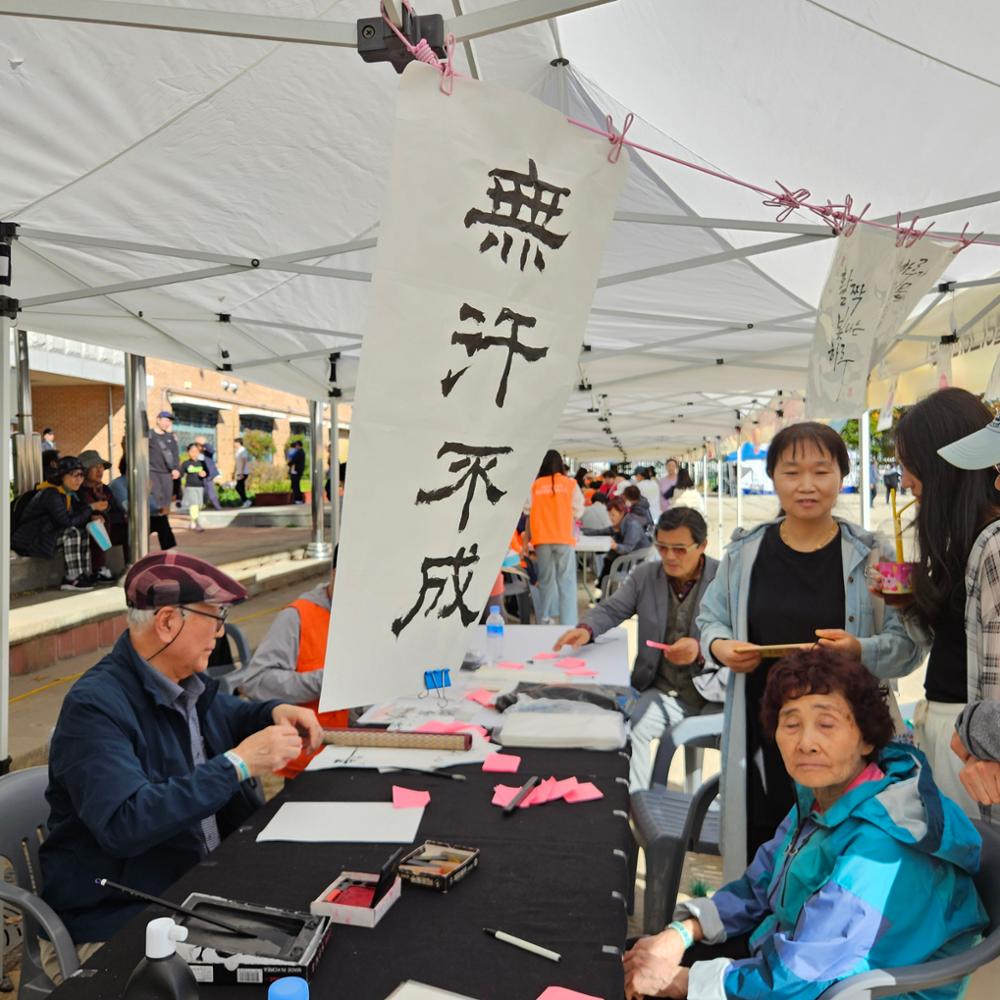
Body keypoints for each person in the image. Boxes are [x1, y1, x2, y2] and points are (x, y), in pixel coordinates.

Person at [623, 647, 987, 1000]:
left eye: (826, 723)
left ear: (866, 739)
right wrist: (679, 934)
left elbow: (802, 977)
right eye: (791, 723)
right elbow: (758, 886)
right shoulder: (822, 798)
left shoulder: (882, 845)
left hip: (853, 989)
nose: (806, 742)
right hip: (791, 960)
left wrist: (679, 980)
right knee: (629, 961)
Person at [37, 552, 322, 983]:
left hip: (192, 891)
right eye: (215, 618)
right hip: (121, 916)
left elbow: (230, 714)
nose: (220, 633)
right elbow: (125, 821)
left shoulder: (188, 684)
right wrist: (238, 764)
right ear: (169, 622)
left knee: (310, 928)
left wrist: (275, 711)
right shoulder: (95, 707)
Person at [696, 421, 923, 877]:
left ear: (842, 475)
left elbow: (909, 646)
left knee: (843, 851)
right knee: (766, 841)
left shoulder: (876, 553)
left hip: (847, 740)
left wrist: (860, 650)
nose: (806, 486)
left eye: (821, 471)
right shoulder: (746, 553)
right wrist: (720, 646)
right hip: (765, 733)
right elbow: (710, 619)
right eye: (791, 472)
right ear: (772, 477)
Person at [884, 388, 1000, 819]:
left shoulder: (994, 544)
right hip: (952, 729)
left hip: (969, 742)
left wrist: (982, 742)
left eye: (910, 465)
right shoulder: (969, 536)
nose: (906, 480)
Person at [555, 508, 721, 789]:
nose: (669, 556)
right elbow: (612, 609)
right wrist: (587, 629)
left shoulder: (725, 580)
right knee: (632, 729)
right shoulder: (646, 575)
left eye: (679, 549)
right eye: (662, 547)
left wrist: (701, 649)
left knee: (740, 744)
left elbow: (742, 638)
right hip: (660, 688)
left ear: (702, 546)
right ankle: (641, 804)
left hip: (715, 695)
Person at [240, 554, 349, 778]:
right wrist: (327, 682)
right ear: (336, 575)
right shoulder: (297, 617)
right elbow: (255, 682)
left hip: (355, 753)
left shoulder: (368, 616)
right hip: (310, 764)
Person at [11, 455, 106, 592]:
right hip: (30, 540)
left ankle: (83, 574)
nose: (79, 479)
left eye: (81, 475)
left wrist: (91, 517)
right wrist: (91, 508)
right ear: (61, 476)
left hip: (44, 535)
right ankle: (71, 578)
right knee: (72, 532)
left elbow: (75, 518)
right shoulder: (51, 494)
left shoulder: (68, 494)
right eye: (74, 475)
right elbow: (67, 522)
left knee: (84, 531)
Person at [524, 449, 584, 625]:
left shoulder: (534, 486)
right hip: (564, 538)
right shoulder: (570, 484)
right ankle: (568, 623)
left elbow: (528, 514)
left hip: (541, 540)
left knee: (546, 581)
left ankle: (545, 619)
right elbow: (578, 511)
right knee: (566, 582)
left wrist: (526, 542)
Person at [110, 455, 177, 552]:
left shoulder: (139, 482)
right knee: (154, 522)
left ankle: (170, 552)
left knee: (161, 520)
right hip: (121, 524)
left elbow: (151, 506)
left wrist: (159, 509)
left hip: (136, 520)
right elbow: (128, 508)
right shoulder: (117, 484)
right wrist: (145, 492)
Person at [78, 449, 121, 582]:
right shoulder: (79, 491)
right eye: (95, 467)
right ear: (85, 471)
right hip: (86, 530)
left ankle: (132, 563)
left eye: (101, 467)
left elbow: (116, 511)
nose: (100, 471)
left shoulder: (105, 490)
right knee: (96, 525)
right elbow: (77, 512)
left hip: (110, 529)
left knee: (128, 526)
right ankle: (99, 569)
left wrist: (106, 517)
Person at [148, 410, 180, 513]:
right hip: (152, 472)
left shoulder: (171, 437)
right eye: (166, 420)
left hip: (167, 474)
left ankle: (164, 522)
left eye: (170, 421)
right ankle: (154, 522)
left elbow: (175, 455)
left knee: (167, 500)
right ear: (158, 420)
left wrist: (176, 469)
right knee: (155, 499)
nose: (168, 423)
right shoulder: (149, 435)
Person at [180, 442, 208, 532]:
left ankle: (192, 521)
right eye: (192, 451)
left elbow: (207, 473)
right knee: (194, 505)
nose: (194, 453)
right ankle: (197, 523)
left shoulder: (202, 463)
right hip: (190, 486)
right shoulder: (186, 464)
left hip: (200, 486)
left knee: (199, 505)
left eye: (196, 451)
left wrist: (204, 474)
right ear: (188, 452)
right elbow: (180, 474)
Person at [194, 435, 223, 510]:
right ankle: (204, 505)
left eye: (200, 445)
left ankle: (218, 507)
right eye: (197, 445)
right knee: (204, 491)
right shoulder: (195, 454)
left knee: (210, 491)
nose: (198, 447)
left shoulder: (207, 453)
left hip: (208, 475)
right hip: (200, 475)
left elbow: (212, 450)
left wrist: (204, 443)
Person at [234, 436, 252, 507]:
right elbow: (237, 462)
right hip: (240, 472)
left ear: (238, 443)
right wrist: (235, 471)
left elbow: (244, 461)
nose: (234, 444)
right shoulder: (238, 451)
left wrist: (241, 472)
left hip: (243, 472)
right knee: (240, 487)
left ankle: (246, 501)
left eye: (235, 443)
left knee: (238, 487)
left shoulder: (243, 450)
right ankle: (246, 501)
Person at [287, 439, 306, 504]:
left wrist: (289, 463)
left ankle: (298, 499)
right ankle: (298, 499)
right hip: (297, 471)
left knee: (296, 485)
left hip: (296, 471)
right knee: (295, 485)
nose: (295, 447)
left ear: (298, 445)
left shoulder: (299, 452)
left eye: (296, 445)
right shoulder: (301, 452)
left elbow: (293, 460)